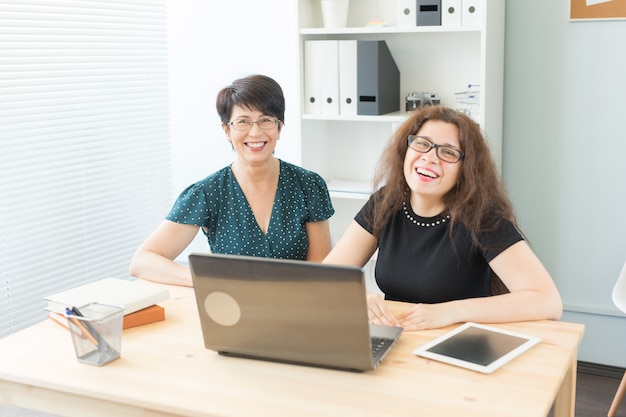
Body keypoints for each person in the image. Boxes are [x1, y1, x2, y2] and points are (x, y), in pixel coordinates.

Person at [323, 106, 562, 331]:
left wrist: (451, 311)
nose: (430, 157)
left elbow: (547, 301)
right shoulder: (385, 202)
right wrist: (356, 297)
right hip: (397, 336)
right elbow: (326, 277)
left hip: (459, 344)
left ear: (465, 169)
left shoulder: (483, 218)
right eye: (422, 144)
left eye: (448, 152)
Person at [130, 74, 334, 287]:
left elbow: (319, 269)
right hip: (232, 311)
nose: (255, 132)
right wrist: (208, 279)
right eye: (243, 122)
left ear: (279, 127)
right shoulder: (207, 192)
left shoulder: (308, 185)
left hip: (297, 308)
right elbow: (142, 261)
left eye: (266, 120)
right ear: (227, 130)